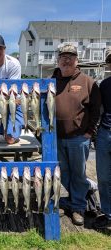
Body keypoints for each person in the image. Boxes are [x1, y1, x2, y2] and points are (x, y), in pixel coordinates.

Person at [52, 44, 101, 226]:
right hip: (56, 138)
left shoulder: (87, 81)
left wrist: (90, 132)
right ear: (58, 60)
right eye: (63, 56)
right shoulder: (51, 81)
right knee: (63, 172)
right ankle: (74, 200)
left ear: (77, 60)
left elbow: (96, 109)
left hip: (79, 138)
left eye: (70, 56)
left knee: (79, 174)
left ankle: (79, 207)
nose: (66, 59)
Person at [94, 47, 111, 229]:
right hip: (105, 133)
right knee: (104, 177)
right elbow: (99, 110)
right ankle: (108, 213)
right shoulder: (104, 85)